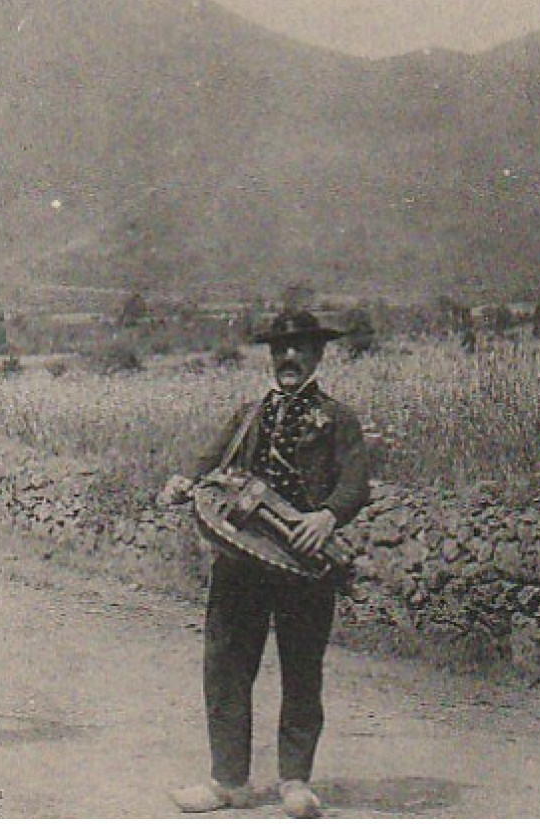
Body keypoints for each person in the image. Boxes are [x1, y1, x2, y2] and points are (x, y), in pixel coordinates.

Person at [160, 309, 371, 818]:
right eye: (281, 350)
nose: (289, 358)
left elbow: (356, 483)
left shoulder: (339, 418)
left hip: (304, 563)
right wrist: (184, 480)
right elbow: (211, 457)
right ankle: (228, 781)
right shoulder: (250, 413)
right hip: (243, 559)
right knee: (226, 663)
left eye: (299, 348)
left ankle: (295, 780)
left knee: (302, 668)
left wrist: (327, 515)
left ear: (318, 355)